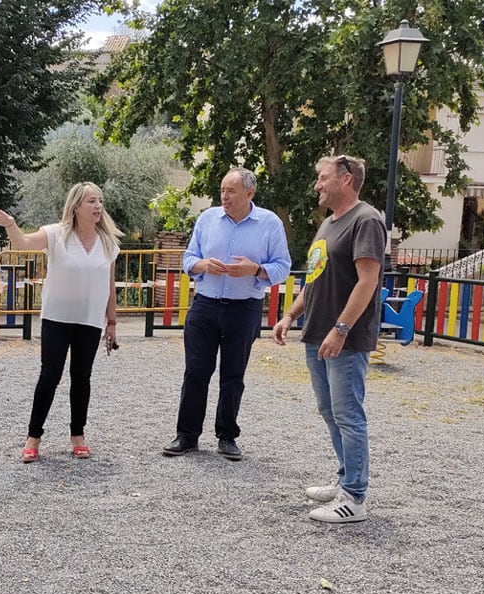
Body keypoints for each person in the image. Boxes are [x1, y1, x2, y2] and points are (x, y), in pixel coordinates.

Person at [272, 154, 385, 524]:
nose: (317, 185)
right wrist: (290, 315)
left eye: (323, 178)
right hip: (317, 334)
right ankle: (345, 480)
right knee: (331, 411)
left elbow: (368, 280)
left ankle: (354, 497)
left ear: (346, 179)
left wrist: (342, 329)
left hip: (343, 339)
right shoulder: (329, 225)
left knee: (349, 414)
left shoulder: (366, 220)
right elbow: (316, 279)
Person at [162, 167, 291, 461]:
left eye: (231, 191)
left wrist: (256, 270)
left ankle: (227, 436)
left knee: (233, 375)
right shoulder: (207, 219)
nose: (225, 196)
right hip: (205, 305)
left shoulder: (269, 223)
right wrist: (202, 265)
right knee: (195, 372)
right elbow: (188, 258)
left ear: (250, 193)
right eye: (222, 190)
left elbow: (283, 265)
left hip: (244, 307)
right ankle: (187, 435)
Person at [0, 182, 121, 463]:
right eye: (91, 201)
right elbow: (22, 243)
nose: (98, 206)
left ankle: (78, 435)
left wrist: (112, 323)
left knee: (81, 378)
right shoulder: (56, 234)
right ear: (75, 207)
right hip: (57, 318)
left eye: (100, 201)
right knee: (50, 375)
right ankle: (33, 438)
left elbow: (109, 284)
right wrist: (11, 224)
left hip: (89, 320)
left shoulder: (108, 243)